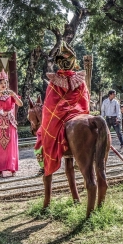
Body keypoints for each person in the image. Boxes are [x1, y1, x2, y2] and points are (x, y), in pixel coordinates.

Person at [34, 42, 90, 176]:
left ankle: (44, 165)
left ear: (59, 63)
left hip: (61, 115)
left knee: (42, 133)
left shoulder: (54, 83)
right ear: (73, 63)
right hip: (80, 112)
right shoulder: (80, 80)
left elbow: (49, 107)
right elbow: (85, 100)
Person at [0, 69, 23, 177]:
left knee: (11, 145)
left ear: (7, 85)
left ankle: (12, 168)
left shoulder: (11, 95)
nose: (3, 85)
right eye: (1, 83)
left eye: (5, 83)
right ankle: (0, 169)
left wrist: (14, 95)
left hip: (9, 122)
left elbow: (20, 104)